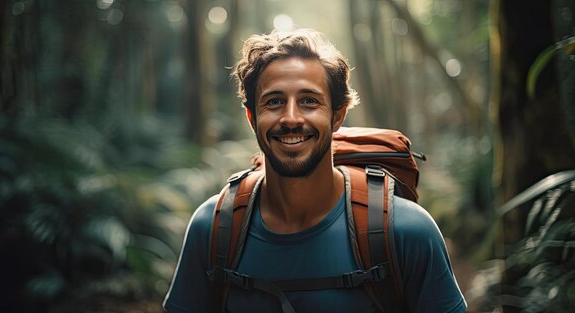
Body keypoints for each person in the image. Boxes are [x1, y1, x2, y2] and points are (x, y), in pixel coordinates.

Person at [163, 28, 467, 313]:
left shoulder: (407, 231)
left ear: (337, 116)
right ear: (251, 117)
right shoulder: (213, 229)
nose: (291, 118)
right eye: (274, 102)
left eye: (309, 101)